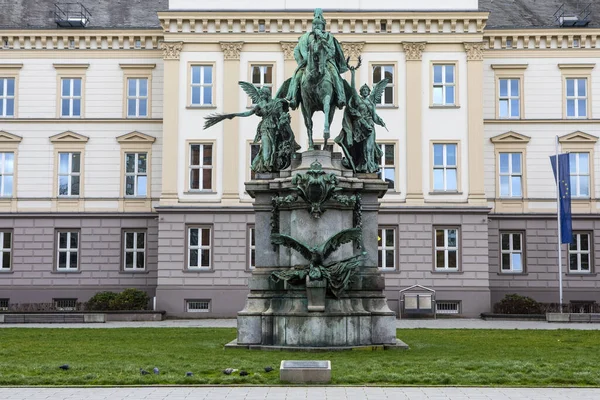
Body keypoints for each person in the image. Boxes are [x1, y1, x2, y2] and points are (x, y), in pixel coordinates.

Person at [203, 84, 300, 173]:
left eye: (262, 94)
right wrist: (234, 115)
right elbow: (247, 113)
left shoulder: (277, 103)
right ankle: (266, 167)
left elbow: (281, 115)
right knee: (267, 149)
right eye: (260, 94)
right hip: (265, 128)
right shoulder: (260, 105)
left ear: (267, 94)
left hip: (275, 130)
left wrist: (284, 124)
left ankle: (271, 167)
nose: (261, 96)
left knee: (273, 149)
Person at [286, 8, 348, 109]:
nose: (316, 26)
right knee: (297, 77)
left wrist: (325, 57)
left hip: (326, 62)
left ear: (323, 25)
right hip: (307, 63)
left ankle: (340, 97)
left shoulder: (328, 37)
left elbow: (332, 50)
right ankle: (293, 98)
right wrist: (303, 60)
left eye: (318, 24)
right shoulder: (305, 37)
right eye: (314, 24)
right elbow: (296, 51)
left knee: (335, 75)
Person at [334, 60, 388, 174]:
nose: (364, 91)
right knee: (362, 148)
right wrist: (353, 74)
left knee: (369, 147)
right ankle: (363, 167)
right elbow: (352, 88)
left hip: (369, 126)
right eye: (362, 90)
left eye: (366, 90)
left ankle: (370, 167)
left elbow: (374, 116)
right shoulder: (357, 100)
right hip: (360, 126)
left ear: (369, 92)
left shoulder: (371, 103)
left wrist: (381, 121)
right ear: (361, 92)